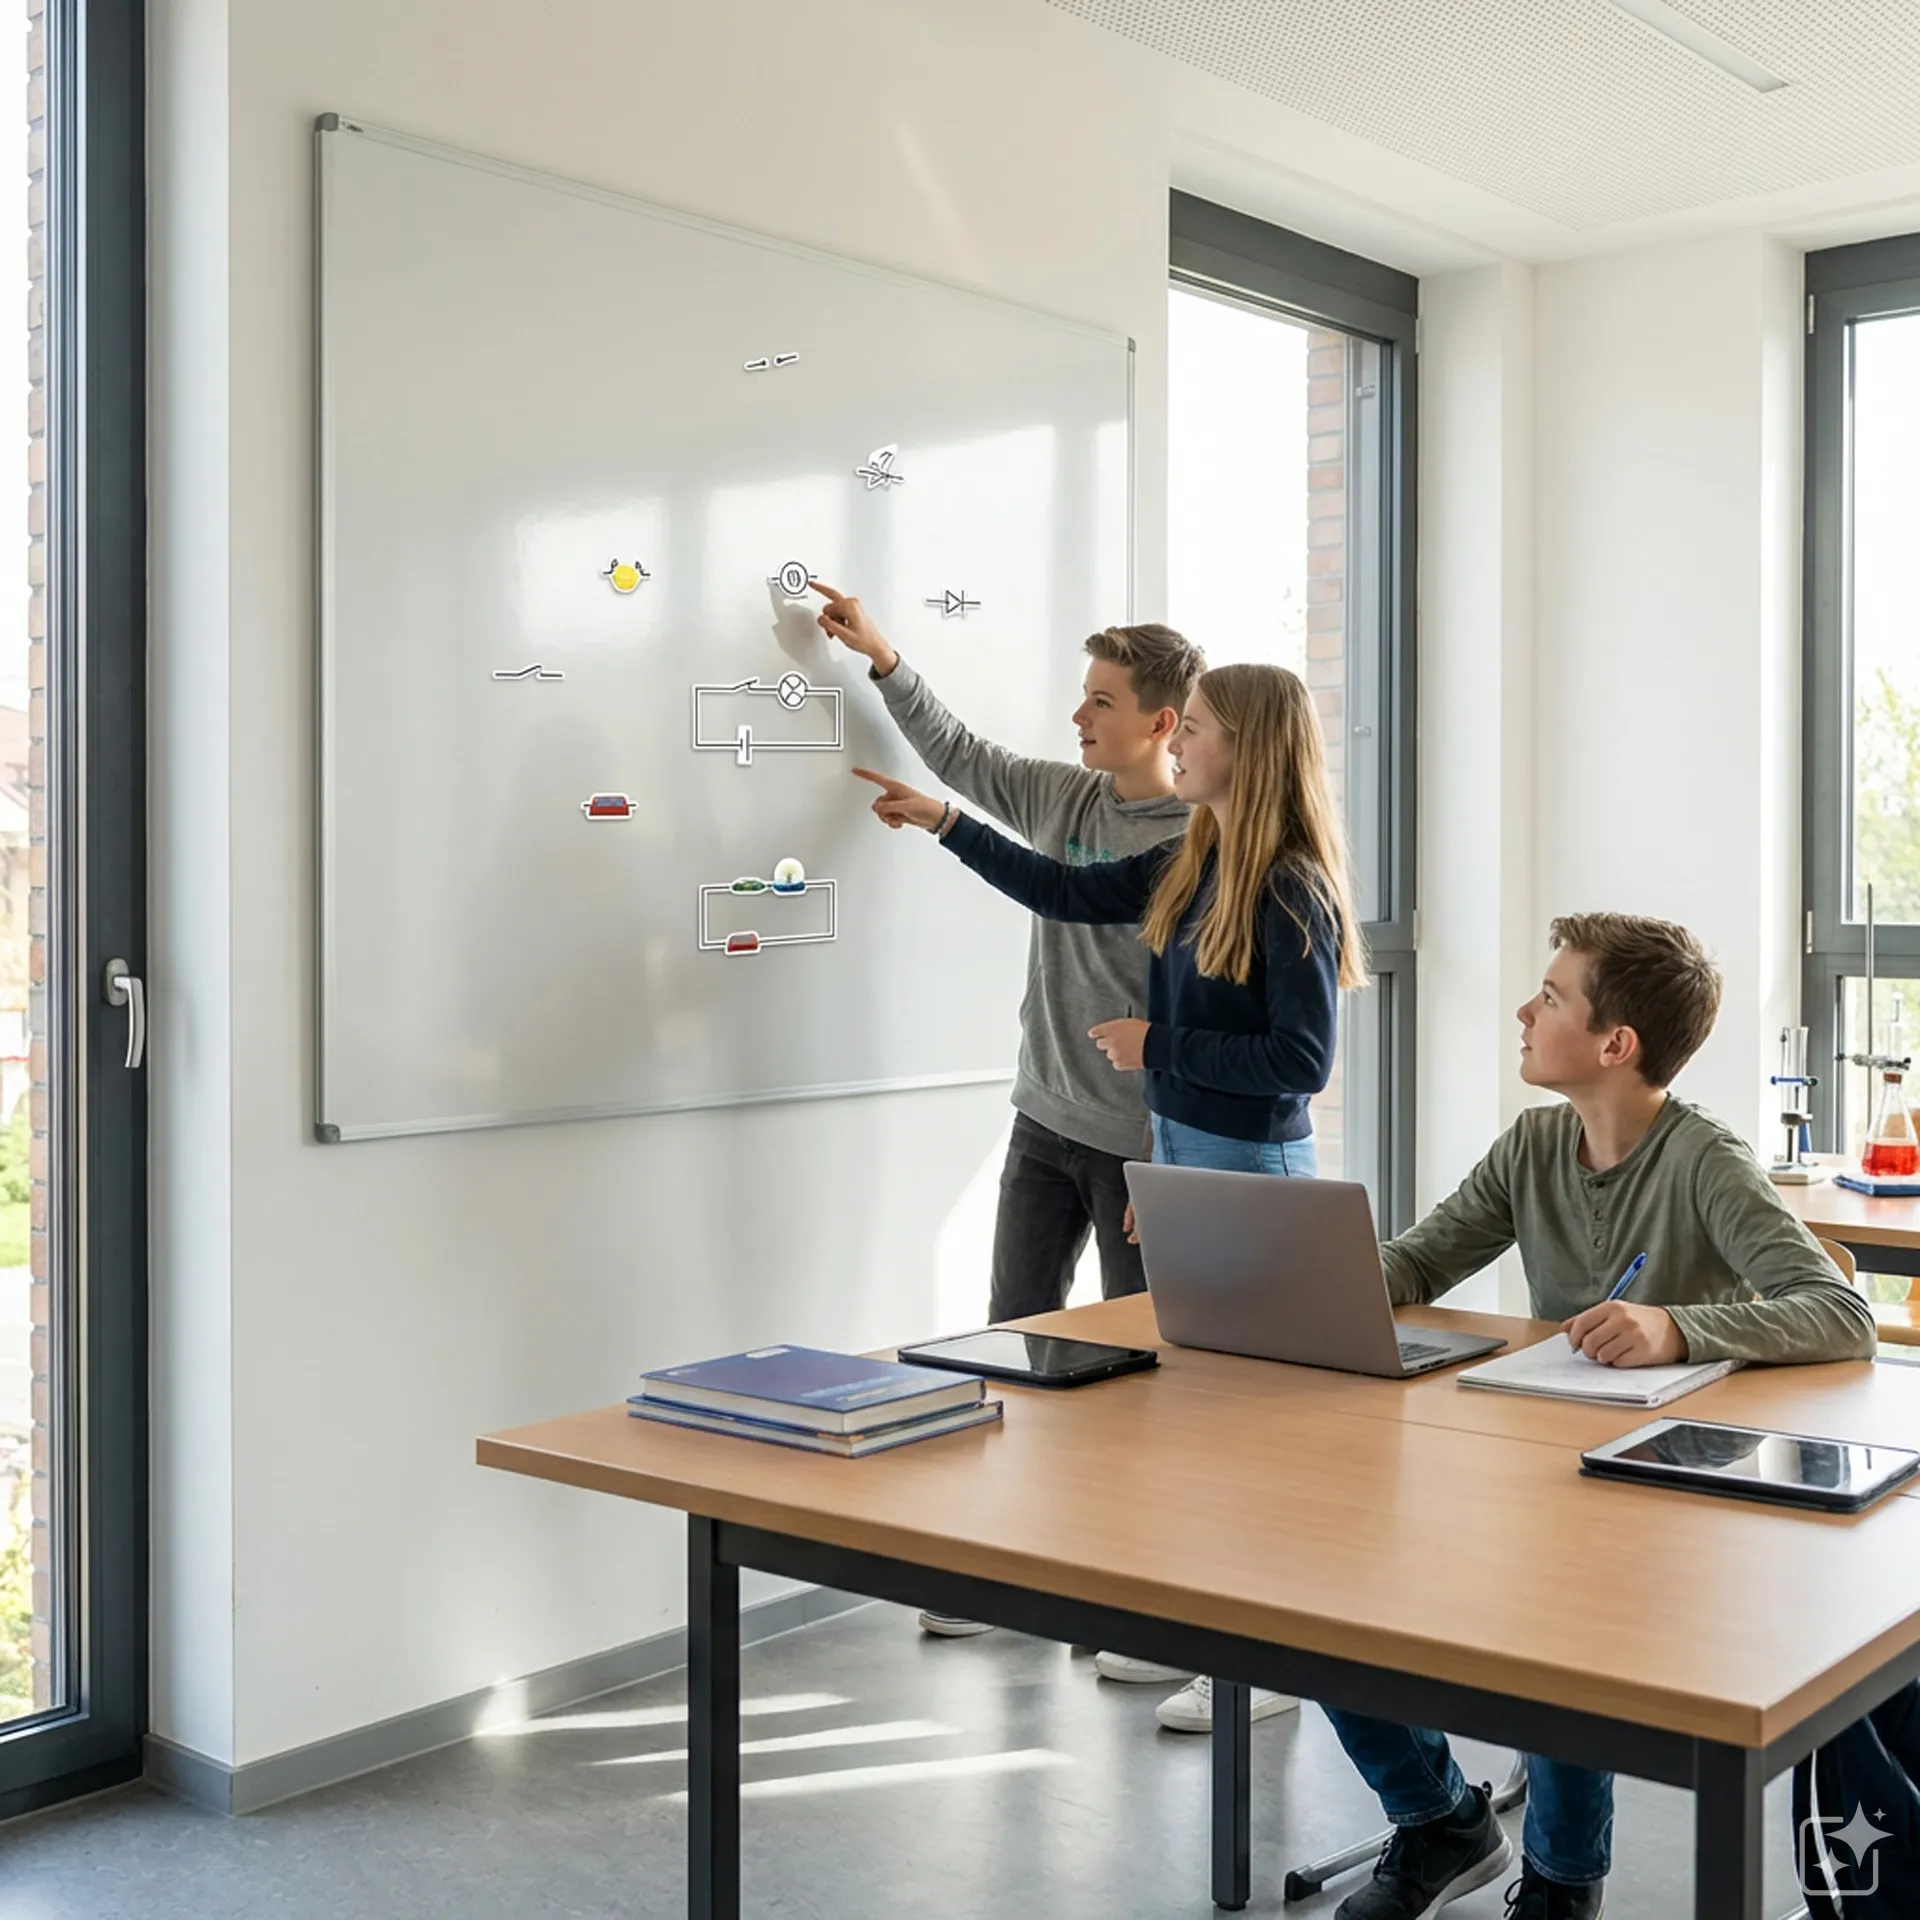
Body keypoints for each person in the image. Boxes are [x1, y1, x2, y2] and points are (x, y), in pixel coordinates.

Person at [1315, 913, 1876, 1920]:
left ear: (1616, 1045)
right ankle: (1439, 1815)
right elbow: (1415, 1264)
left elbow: (1842, 1312)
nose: (1524, 1012)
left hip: (1666, 1497)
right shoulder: (1534, 1143)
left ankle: (1564, 1884)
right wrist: (1287, 1260)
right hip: (1530, 1454)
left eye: (1551, 996)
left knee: (1548, 1617)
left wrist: (1678, 1326)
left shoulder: (1705, 1158)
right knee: (1317, 1589)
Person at [855, 661, 1367, 1733]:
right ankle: (1209, 1633)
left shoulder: (1289, 887)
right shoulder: (1190, 860)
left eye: (1202, 730)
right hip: (1190, 1163)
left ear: (1254, 749)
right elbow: (1063, 891)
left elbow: (1302, 1059)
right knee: (1198, 1421)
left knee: (1243, 1432)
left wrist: (1156, 1045)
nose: (1179, 743)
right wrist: (949, 824)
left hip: (1255, 1179)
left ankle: (1264, 1661)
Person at [811, 583, 1200, 1644]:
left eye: (1102, 701)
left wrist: (1167, 1158)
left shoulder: (1196, 838)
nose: (1080, 718)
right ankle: (1008, 1576)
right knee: (1014, 1344)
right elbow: (963, 755)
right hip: (1044, 1120)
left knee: (1132, 1379)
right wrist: (884, 658)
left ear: (1162, 724)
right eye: (1082, 696)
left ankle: (1133, 1597)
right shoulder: (1065, 797)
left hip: (1139, 1146)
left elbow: (1055, 891)